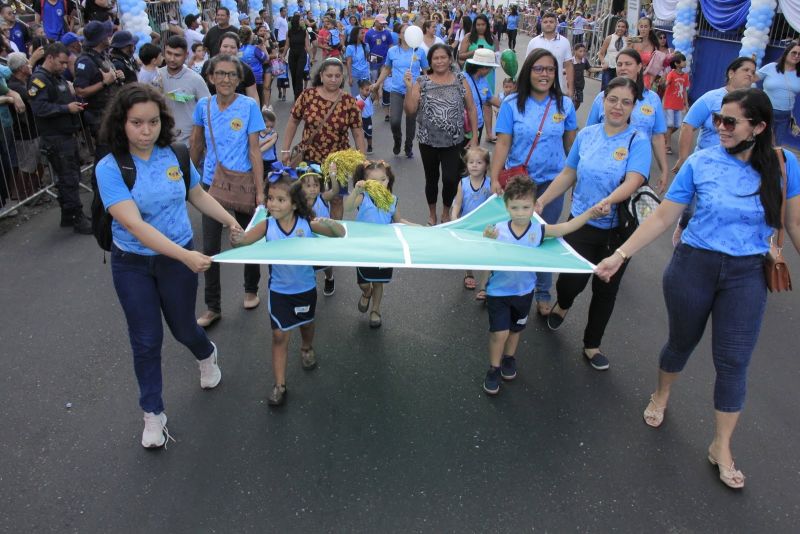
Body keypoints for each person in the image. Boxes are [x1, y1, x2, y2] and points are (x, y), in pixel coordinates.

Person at [595, 88, 800, 490]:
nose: (719, 128)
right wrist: (620, 254)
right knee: (680, 343)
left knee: (733, 361)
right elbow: (662, 217)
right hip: (694, 266)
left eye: (730, 122)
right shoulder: (700, 162)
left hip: (747, 275)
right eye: (717, 120)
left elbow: (793, 224)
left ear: (758, 127)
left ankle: (721, 445)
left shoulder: (784, 164)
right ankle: (661, 394)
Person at [95, 83, 239, 448]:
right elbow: (133, 225)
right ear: (121, 124)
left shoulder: (175, 154)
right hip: (133, 264)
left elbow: (197, 193)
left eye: (153, 122)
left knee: (184, 329)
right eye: (137, 123)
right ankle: (153, 414)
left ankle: (206, 354)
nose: (146, 131)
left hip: (176, 260)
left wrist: (231, 221)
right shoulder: (111, 167)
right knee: (146, 340)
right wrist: (186, 255)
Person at [536, 77, 653, 371]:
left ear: (633, 106)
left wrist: (610, 201)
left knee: (606, 289)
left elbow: (635, 179)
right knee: (570, 281)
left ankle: (592, 344)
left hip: (618, 231)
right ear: (603, 100)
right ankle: (563, 304)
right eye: (613, 99)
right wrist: (542, 201)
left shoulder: (637, 141)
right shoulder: (587, 135)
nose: (618, 107)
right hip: (581, 223)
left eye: (626, 102)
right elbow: (567, 174)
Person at [482, 177, 606, 395]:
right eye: (515, 207)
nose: (520, 212)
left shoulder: (538, 231)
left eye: (526, 207)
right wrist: (487, 239)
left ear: (534, 206)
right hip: (498, 292)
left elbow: (566, 227)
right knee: (499, 333)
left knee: (515, 330)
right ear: (506, 206)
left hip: (524, 293)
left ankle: (509, 358)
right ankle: (494, 368)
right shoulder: (496, 230)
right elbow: (477, 250)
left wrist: (589, 214)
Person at [230, 172, 345, 406]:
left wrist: (332, 224)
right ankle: (280, 385)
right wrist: (236, 237)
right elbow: (243, 241)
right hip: (279, 291)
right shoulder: (266, 226)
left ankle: (306, 347)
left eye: (280, 200)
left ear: (294, 203)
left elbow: (339, 234)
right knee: (279, 335)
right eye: (270, 198)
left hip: (305, 289)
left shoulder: (306, 224)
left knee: (307, 324)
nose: (273, 204)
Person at [490, 49, 577, 313]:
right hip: (518, 184)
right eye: (539, 69)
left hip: (552, 184)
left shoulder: (565, 105)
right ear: (528, 71)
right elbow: (503, 143)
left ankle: (542, 291)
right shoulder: (511, 103)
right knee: (509, 233)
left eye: (550, 69)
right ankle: (499, 280)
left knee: (544, 235)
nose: (545, 74)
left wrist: (576, 178)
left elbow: (571, 144)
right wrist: (494, 178)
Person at [190, 54, 266, 327]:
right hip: (212, 185)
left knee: (247, 240)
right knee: (210, 248)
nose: (226, 79)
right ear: (210, 77)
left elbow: (255, 151)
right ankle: (213, 306)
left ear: (239, 79)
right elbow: (196, 144)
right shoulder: (203, 106)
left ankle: (250, 290)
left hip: (244, 182)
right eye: (220, 74)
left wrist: (260, 192)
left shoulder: (248, 106)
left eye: (232, 75)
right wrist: (189, 182)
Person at [281, 57, 366, 221]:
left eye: (337, 76)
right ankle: (310, 230)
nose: (333, 80)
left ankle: (332, 235)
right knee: (310, 197)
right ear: (321, 76)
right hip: (310, 157)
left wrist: (361, 160)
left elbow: (358, 132)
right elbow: (293, 122)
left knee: (336, 199)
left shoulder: (348, 101)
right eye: (329, 75)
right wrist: (285, 149)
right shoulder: (308, 95)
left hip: (338, 160)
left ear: (342, 77)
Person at [403, 43, 478, 226]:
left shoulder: (460, 79)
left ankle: (446, 212)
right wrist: (408, 88)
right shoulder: (421, 82)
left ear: (450, 59)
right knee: (432, 179)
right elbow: (410, 111)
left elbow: (471, 108)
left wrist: (475, 136)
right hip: (428, 140)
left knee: (451, 178)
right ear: (430, 62)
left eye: (443, 57)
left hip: (454, 141)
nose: (439, 61)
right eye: (435, 58)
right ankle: (432, 214)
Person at [586, 48, 669, 197]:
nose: (623, 68)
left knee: (629, 216)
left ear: (639, 67)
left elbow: (657, 137)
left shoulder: (652, 99)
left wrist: (664, 169)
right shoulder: (602, 98)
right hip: (602, 171)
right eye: (619, 64)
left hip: (636, 172)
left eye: (628, 64)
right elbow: (588, 136)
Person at [29, 42, 91, 233]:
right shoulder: (39, 80)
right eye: (62, 63)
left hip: (65, 134)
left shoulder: (56, 78)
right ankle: (77, 218)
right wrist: (66, 108)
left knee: (70, 176)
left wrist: (75, 103)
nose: (65, 67)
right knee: (68, 178)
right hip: (55, 137)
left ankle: (68, 215)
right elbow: (39, 108)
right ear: (50, 58)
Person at [344, 161, 412, 328]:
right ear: (366, 183)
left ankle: (376, 310)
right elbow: (348, 207)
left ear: (389, 180)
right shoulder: (363, 197)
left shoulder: (391, 200)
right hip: (364, 248)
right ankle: (366, 293)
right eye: (374, 181)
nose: (381, 183)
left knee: (378, 282)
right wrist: (356, 190)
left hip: (384, 248)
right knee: (364, 282)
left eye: (383, 179)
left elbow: (399, 221)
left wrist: (419, 228)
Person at [372, 24, 430, 159]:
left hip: (413, 91)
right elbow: (386, 69)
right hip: (397, 90)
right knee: (395, 121)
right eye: (404, 32)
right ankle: (397, 140)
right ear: (399, 35)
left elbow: (426, 71)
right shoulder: (392, 51)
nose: (407, 35)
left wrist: (427, 88)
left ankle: (408, 146)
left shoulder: (419, 51)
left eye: (410, 32)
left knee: (411, 121)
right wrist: (377, 83)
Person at [149, 36, 210, 148]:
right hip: (161, 142)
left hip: (187, 144)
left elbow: (208, 110)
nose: (172, 59)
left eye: (177, 55)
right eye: (169, 53)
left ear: (186, 55)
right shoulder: (155, 76)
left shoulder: (195, 79)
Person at [74, 20, 124, 141]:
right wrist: (104, 83)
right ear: (101, 39)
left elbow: (110, 76)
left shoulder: (101, 55)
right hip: (99, 116)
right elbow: (80, 91)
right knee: (106, 151)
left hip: (111, 112)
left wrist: (117, 76)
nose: (109, 37)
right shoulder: (85, 61)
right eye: (107, 35)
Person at [451, 146, 492, 293]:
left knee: (488, 253)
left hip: (485, 225)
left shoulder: (490, 183)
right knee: (468, 250)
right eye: (471, 162)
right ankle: (469, 273)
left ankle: (484, 287)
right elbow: (458, 203)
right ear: (466, 164)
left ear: (486, 165)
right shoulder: (463, 183)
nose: (474, 165)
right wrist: (454, 217)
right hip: (467, 224)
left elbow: (494, 205)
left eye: (479, 162)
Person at [757, 40, 800, 147]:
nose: (797, 56)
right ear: (786, 53)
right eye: (794, 52)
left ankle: (768, 164)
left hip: (784, 117)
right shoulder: (771, 67)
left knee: (775, 146)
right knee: (760, 143)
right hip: (765, 112)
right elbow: (752, 78)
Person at [200, 33, 260, 103]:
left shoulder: (245, 69)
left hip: (239, 110)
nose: (228, 50)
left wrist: (256, 112)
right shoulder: (208, 65)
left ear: (238, 49)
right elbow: (201, 89)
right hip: (212, 110)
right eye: (225, 46)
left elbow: (253, 96)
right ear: (220, 47)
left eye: (232, 47)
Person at [525, 11, 573, 97]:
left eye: (551, 22)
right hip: (535, 89)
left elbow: (569, 66)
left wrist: (570, 89)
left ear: (556, 23)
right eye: (545, 22)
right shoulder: (533, 42)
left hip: (557, 88)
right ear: (541, 23)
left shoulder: (564, 42)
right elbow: (527, 66)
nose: (548, 24)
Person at [463, 48, 502, 144]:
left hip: (479, 124)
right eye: (490, 68)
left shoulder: (483, 80)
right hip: (465, 126)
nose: (490, 71)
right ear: (482, 67)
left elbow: (489, 98)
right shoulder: (463, 78)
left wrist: (509, 104)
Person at [663, 52, 689, 159]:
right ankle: (667, 146)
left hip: (679, 104)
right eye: (683, 61)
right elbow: (666, 84)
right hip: (669, 102)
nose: (685, 62)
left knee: (677, 125)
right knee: (670, 124)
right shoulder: (672, 74)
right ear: (677, 63)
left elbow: (685, 91)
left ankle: (665, 136)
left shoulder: (686, 76)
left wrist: (686, 103)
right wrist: (665, 82)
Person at [364, 15, 392, 108]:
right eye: (381, 23)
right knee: (374, 80)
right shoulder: (369, 33)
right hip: (373, 59)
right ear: (375, 22)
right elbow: (366, 48)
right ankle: (376, 97)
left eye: (384, 23)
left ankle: (384, 96)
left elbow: (390, 45)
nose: (383, 25)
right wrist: (367, 58)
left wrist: (390, 58)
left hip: (385, 59)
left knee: (384, 79)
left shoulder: (387, 33)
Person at [238, 25, 268, 106]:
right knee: (258, 102)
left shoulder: (238, 49)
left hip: (242, 80)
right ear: (250, 36)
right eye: (252, 33)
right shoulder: (255, 49)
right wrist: (263, 46)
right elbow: (266, 59)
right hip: (256, 79)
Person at [596, 19, 628, 91]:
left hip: (620, 69)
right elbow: (601, 53)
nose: (620, 28)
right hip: (609, 67)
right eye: (618, 26)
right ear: (616, 27)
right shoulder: (609, 38)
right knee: (606, 89)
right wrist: (603, 62)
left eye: (623, 27)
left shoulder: (627, 40)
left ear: (626, 29)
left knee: (617, 90)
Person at [285, 13, 312, 100]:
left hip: (302, 55)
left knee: (299, 75)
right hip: (292, 55)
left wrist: (311, 57)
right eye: (301, 20)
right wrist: (283, 55)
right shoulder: (289, 32)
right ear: (296, 21)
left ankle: (299, 97)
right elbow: (287, 45)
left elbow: (307, 46)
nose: (303, 21)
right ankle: (295, 94)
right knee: (293, 75)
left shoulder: (305, 32)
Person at [630, 17, 659, 88]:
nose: (643, 29)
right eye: (641, 26)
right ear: (638, 27)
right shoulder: (634, 40)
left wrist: (651, 80)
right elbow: (626, 57)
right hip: (632, 74)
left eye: (646, 27)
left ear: (650, 28)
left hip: (646, 76)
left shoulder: (653, 44)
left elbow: (655, 65)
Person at [345, 26, 369, 97]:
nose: (363, 34)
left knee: (366, 95)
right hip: (355, 75)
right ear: (355, 35)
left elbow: (368, 59)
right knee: (355, 96)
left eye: (364, 33)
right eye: (361, 33)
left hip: (365, 75)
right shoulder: (349, 48)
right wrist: (350, 77)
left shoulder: (366, 46)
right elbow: (348, 63)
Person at [355, 79, 373, 153]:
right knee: (359, 134)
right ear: (361, 89)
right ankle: (360, 148)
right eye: (367, 90)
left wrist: (375, 89)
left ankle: (370, 146)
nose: (368, 92)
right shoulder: (357, 98)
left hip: (368, 119)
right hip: (360, 119)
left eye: (369, 90)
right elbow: (356, 110)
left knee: (369, 134)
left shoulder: (370, 97)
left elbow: (375, 95)